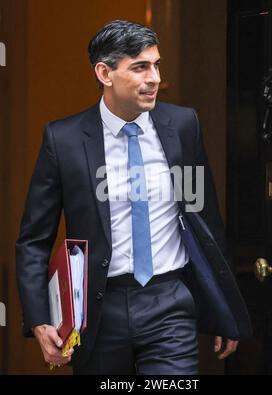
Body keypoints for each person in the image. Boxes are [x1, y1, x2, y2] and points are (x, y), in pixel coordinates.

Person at [16, 20, 252, 375]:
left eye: (156, 65)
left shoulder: (184, 125)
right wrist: (39, 319)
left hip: (170, 302)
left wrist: (224, 307)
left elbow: (207, 221)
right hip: (97, 310)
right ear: (105, 73)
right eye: (140, 67)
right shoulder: (63, 140)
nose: (154, 77)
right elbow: (34, 240)